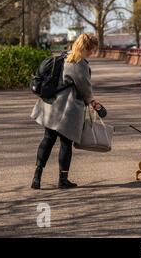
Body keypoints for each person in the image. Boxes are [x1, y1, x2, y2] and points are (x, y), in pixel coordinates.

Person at [30, 33, 102, 189]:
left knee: (47, 140)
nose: (92, 53)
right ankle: (63, 179)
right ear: (87, 48)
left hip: (50, 107)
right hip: (67, 110)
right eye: (92, 50)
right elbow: (85, 88)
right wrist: (93, 102)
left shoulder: (64, 57)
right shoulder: (79, 64)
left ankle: (37, 177)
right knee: (65, 144)